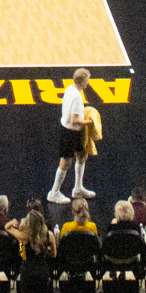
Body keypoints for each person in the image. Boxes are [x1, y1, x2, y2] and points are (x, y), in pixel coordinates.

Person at [6, 207, 54, 293]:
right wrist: (46, 250)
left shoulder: (24, 236)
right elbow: (54, 254)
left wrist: (13, 222)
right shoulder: (49, 235)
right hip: (42, 271)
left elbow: (6, 227)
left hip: (27, 272)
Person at [47, 68, 94, 204]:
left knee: (81, 156)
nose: (88, 83)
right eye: (87, 81)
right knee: (65, 162)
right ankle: (54, 192)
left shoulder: (70, 88)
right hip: (69, 132)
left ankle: (78, 188)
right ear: (83, 81)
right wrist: (89, 122)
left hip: (75, 132)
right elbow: (75, 120)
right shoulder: (77, 97)